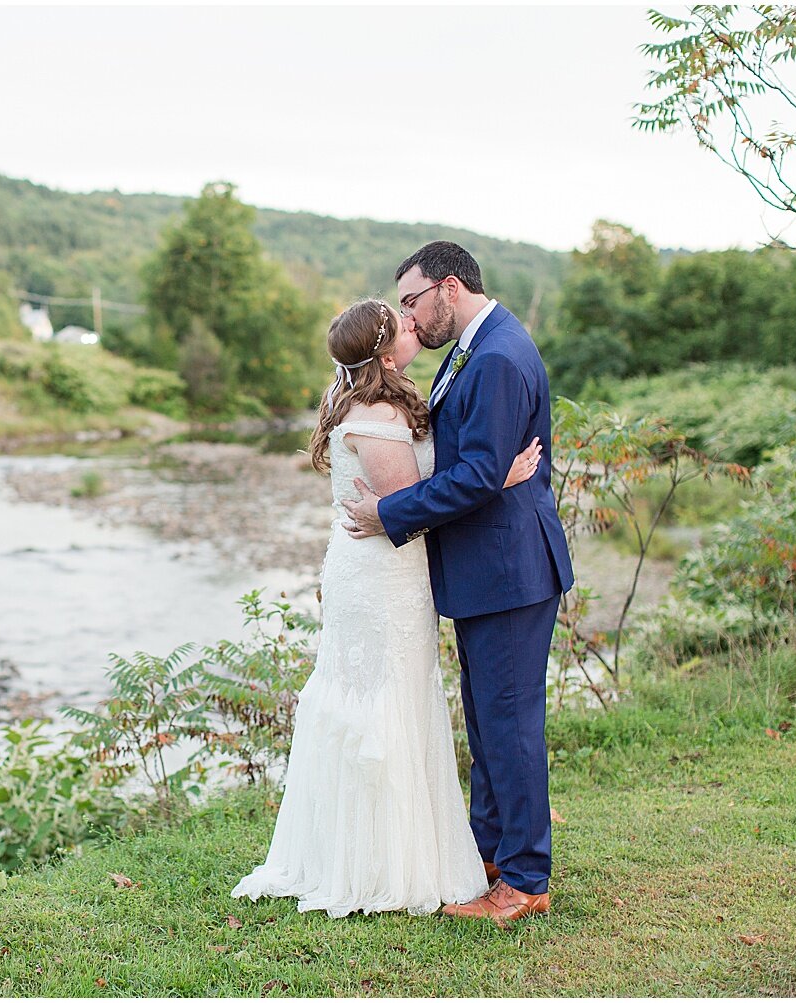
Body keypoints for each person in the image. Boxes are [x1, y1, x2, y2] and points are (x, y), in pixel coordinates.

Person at [230, 297, 542, 918]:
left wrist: (475, 476)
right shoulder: (373, 408)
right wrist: (496, 478)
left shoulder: (372, 393)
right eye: (400, 322)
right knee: (385, 702)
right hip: (381, 575)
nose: (411, 324)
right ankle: (381, 861)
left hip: (385, 568)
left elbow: (412, 493)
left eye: (410, 309)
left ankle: (455, 852)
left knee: (400, 701)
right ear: (384, 349)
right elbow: (406, 498)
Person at [341, 241, 575, 927]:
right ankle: (492, 853)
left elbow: (476, 475)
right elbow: (472, 460)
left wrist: (387, 512)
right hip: (486, 568)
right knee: (489, 719)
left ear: (448, 286)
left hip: (508, 569)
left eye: (412, 301)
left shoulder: (497, 356)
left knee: (511, 726)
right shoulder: (473, 348)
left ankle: (526, 879)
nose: (409, 318)